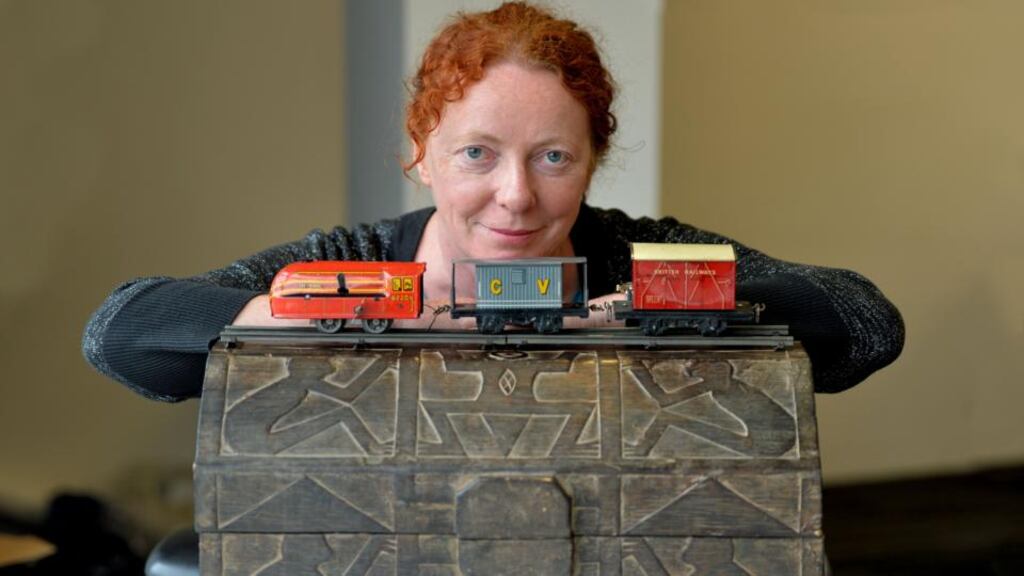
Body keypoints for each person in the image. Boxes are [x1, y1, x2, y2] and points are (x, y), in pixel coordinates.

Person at [82, 1, 903, 403]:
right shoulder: (358, 259)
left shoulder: (636, 254)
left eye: (552, 158)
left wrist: (650, 307)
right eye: (477, 154)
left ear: (591, 163)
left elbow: (864, 322)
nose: (516, 196)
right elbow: (121, 332)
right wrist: (346, 307)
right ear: (419, 157)